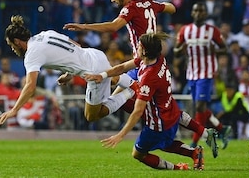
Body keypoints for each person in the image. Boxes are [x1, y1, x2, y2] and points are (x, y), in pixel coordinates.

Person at [64, 0, 219, 158]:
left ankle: (145, 118)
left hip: (143, 65)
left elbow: (114, 27)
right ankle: (206, 133)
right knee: (162, 106)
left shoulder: (129, 8)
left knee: (113, 102)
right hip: (155, 61)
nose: (112, 0)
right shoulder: (148, 3)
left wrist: (83, 26)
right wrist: (161, 6)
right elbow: (171, 7)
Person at [85, 32, 204, 170]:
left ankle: (179, 167)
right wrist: (103, 75)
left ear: (145, 51)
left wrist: (120, 135)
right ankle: (194, 152)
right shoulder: (156, 59)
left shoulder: (149, 77)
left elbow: (137, 111)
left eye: (139, 46)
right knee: (165, 143)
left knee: (138, 153)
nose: (136, 47)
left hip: (158, 121)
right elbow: (122, 67)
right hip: (167, 111)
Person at [0, 15, 138, 126]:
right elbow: (75, 45)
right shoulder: (45, 34)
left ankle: (131, 90)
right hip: (95, 54)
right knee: (110, 78)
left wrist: (14, 110)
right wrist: (70, 74)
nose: (12, 48)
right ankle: (132, 83)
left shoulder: (31, 54)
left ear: (17, 41)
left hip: (93, 71)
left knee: (92, 115)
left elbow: (30, 86)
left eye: (11, 44)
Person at [174, 2, 231, 149]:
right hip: (191, 73)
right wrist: (181, 49)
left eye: (202, 11)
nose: (199, 13)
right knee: (200, 108)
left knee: (200, 106)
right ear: (192, 13)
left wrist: (214, 51)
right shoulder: (185, 30)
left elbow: (224, 49)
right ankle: (222, 129)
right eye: (196, 10)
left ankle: (194, 142)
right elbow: (175, 51)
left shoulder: (213, 31)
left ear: (206, 14)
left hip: (207, 73)